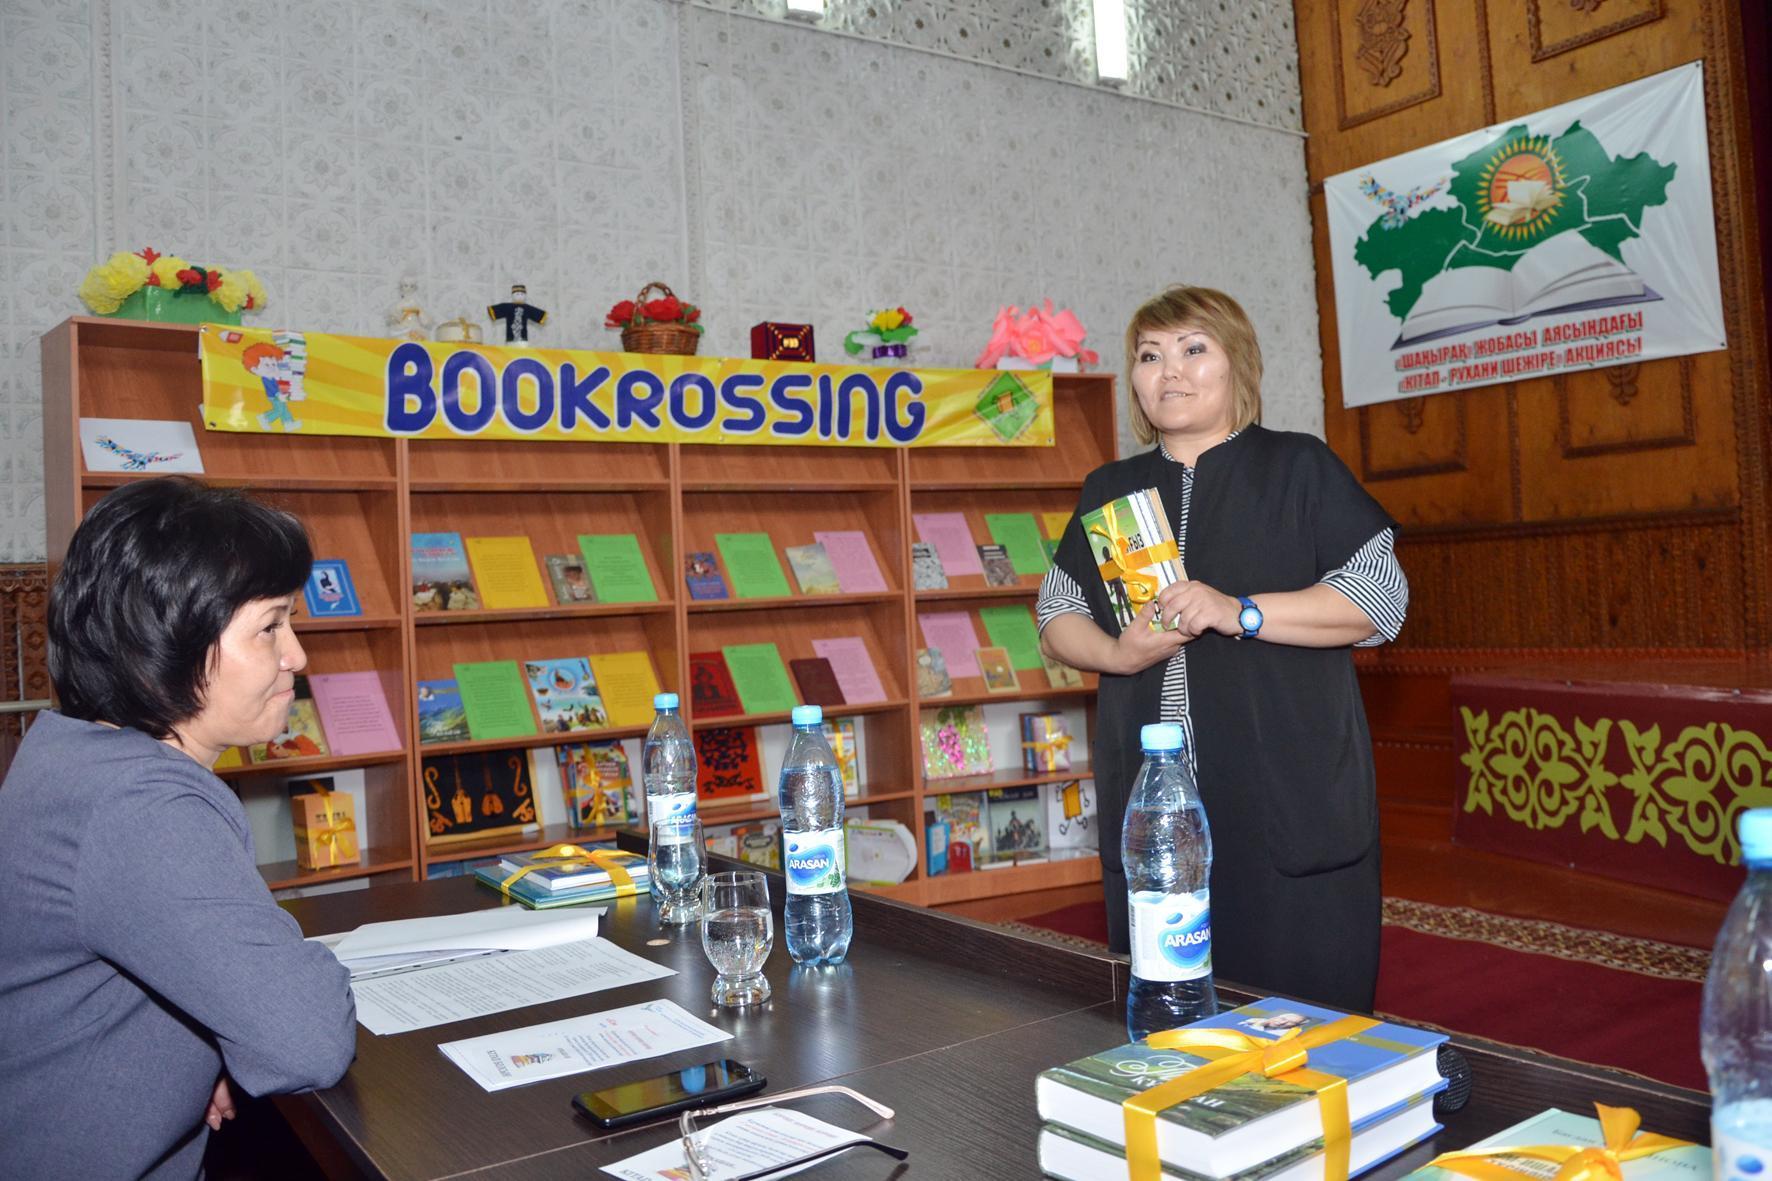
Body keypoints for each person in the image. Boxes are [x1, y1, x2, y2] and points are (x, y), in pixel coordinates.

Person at [1038, 286, 1407, 1013]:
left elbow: (1378, 597)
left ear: (1237, 362)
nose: (1169, 371)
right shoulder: (1111, 489)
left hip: (1287, 795)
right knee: (1169, 1015)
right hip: (1155, 798)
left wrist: (1241, 611)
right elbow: (1057, 612)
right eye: (1150, 355)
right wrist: (1119, 654)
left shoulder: (1299, 467)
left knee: (1300, 1021)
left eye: (1193, 349)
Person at [0, 477, 357, 1179]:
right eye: (270, 626)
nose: (297, 655)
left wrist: (215, 1042)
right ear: (169, 639)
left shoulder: (70, 754)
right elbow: (305, 1036)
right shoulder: (141, 805)